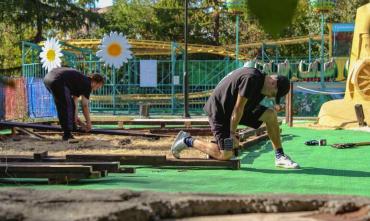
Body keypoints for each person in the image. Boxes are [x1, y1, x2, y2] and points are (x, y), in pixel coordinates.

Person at [171, 67, 299, 169]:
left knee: (270, 115)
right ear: (272, 82)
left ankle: (280, 156)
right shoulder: (251, 79)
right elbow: (238, 109)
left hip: (236, 111)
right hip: (220, 112)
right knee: (225, 154)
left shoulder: (262, 83)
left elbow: (242, 109)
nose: (271, 97)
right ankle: (186, 140)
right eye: (273, 94)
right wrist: (231, 134)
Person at [44, 67, 104, 140]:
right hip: (57, 80)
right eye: (98, 86)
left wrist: (75, 119)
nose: (97, 88)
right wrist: (89, 123)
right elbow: (84, 105)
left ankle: (71, 127)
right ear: (95, 82)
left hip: (48, 79)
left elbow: (75, 100)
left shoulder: (81, 80)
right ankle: (67, 134)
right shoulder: (88, 85)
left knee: (66, 105)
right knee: (66, 107)